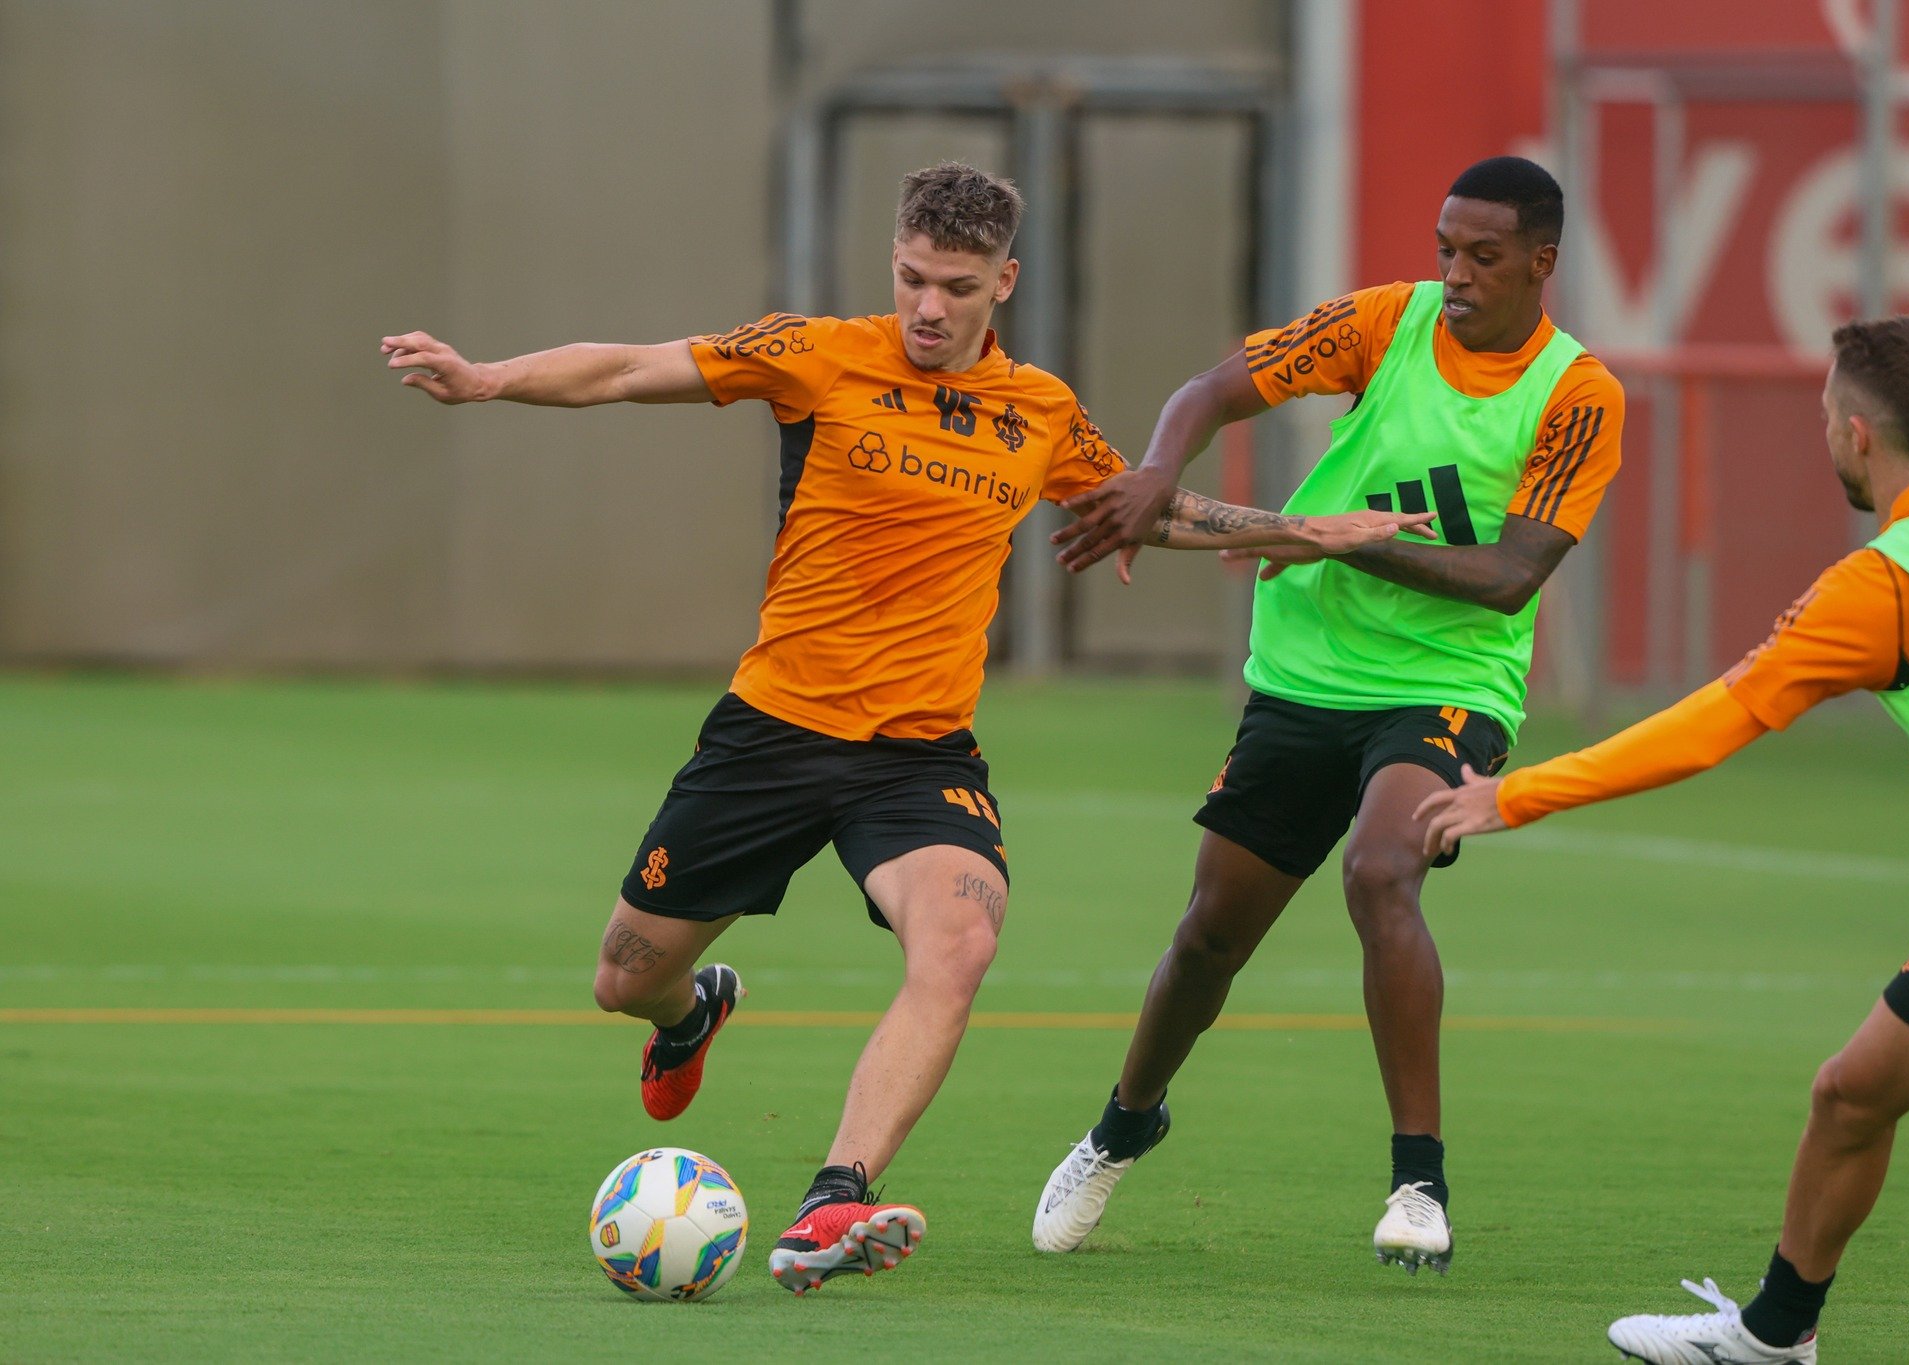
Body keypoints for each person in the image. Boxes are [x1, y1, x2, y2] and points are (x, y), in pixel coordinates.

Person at [381, 162, 1431, 1296]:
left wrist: (1300, 531)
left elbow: (1140, 503)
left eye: (955, 286)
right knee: (622, 979)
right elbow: (632, 368)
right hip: (771, 731)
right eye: (910, 279)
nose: (927, 307)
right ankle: (690, 1016)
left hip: (919, 757)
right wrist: (486, 379)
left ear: (1004, 282)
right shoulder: (816, 355)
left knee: (959, 946)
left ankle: (833, 1199)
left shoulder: (1036, 411)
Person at [1034, 155, 1626, 1272]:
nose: (1452, 275)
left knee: (1379, 868)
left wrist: (1357, 538)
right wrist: (1162, 469)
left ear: (1540, 263)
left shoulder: (1577, 394)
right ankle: (1120, 1127)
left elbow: (1508, 577)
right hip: (1303, 670)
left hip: (1448, 684)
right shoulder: (1380, 323)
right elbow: (1211, 390)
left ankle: (1417, 1181)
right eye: (1444, 249)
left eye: (1482, 257)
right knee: (1211, 932)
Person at [1417, 315, 1909, 1362]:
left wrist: (1515, 795)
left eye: (1819, 419)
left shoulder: (1881, 589)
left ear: (1853, 435)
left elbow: (1708, 725)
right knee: (1849, 1095)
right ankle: (1770, 1336)